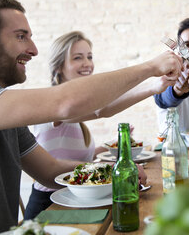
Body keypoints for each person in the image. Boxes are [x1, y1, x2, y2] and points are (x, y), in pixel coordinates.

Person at [0, 0, 182, 235]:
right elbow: (66, 103)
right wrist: (149, 67)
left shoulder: (4, 112)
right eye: (21, 36)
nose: (33, 50)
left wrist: (115, 170)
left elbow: (49, 170)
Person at [24, 31, 175, 220]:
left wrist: (107, 148)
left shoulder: (75, 111)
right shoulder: (53, 104)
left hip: (76, 201)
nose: (87, 63)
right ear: (59, 66)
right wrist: (153, 82)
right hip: (50, 207)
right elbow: (102, 109)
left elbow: (70, 152)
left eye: (89, 56)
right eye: (78, 58)